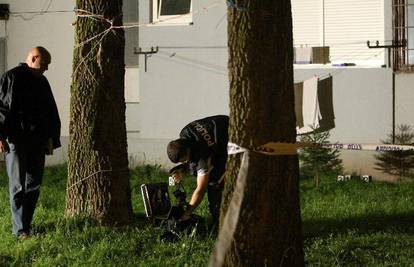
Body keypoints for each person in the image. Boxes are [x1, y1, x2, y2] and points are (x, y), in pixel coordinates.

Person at [0, 47, 61, 239]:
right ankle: (20, 230)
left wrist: (51, 138)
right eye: (44, 64)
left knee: (33, 186)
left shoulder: (42, 81)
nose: (47, 69)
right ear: (33, 58)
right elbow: (1, 108)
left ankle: (24, 226)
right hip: (16, 141)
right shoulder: (11, 78)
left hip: (38, 141)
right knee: (17, 187)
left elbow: (51, 111)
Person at [167, 115, 229, 227]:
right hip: (224, 121)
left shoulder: (202, 158)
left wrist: (188, 212)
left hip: (230, 139)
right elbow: (191, 159)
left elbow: (201, 189)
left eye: (184, 160)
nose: (185, 162)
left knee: (214, 183)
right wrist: (183, 170)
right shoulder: (185, 132)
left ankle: (220, 222)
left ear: (187, 151)